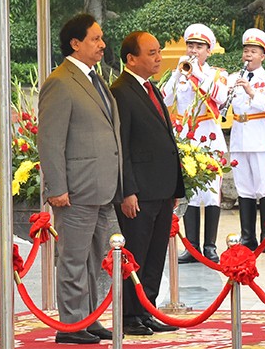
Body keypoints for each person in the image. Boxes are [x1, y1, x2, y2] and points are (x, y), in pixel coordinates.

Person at [37, 13, 121, 345]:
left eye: (101, 38)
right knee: (73, 259)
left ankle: (89, 319)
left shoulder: (94, 78)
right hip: (76, 189)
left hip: (102, 188)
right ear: (75, 43)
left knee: (94, 260)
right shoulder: (60, 81)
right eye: (95, 39)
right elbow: (50, 140)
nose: (102, 44)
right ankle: (71, 326)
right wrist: (56, 188)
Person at [110, 31, 185, 336]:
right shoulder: (121, 91)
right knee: (136, 254)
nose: (158, 58)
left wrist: (175, 186)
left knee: (155, 254)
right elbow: (122, 146)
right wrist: (128, 190)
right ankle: (129, 315)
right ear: (131, 58)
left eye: (158, 51)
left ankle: (147, 308)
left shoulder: (150, 87)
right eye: (152, 53)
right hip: (139, 191)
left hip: (162, 189)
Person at [162, 23, 228, 263]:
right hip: (186, 139)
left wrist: (196, 73)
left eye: (199, 46)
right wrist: (179, 73)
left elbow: (219, 97)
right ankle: (191, 247)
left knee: (210, 194)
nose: (193, 50)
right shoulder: (179, 73)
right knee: (189, 192)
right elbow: (164, 98)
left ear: (208, 51)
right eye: (190, 45)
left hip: (209, 137)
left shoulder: (217, 74)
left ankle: (210, 245)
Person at [228, 28, 265, 253]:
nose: (248, 55)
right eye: (246, 50)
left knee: (263, 188)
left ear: (262, 56)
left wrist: (251, 92)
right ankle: (248, 236)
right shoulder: (232, 78)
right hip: (239, 136)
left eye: (253, 51)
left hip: (260, 137)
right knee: (244, 188)